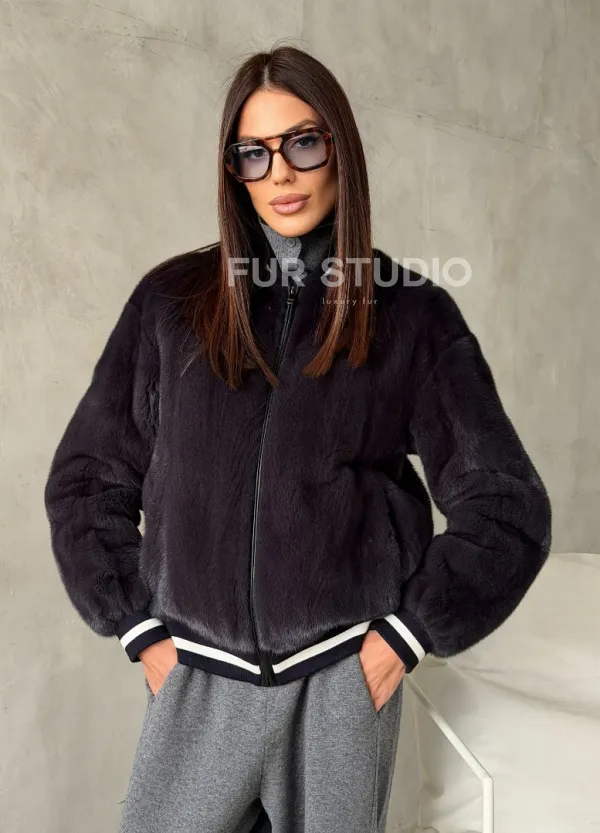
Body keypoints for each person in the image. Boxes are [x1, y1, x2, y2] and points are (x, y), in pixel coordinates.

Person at [43, 46, 552, 833]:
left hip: (338, 681)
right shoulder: (170, 304)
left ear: (339, 150)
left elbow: (505, 505)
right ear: (234, 173)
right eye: (254, 152)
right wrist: (140, 630)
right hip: (198, 680)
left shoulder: (410, 314)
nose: (280, 172)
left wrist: (401, 639)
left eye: (303, 143)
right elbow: (86, 481)